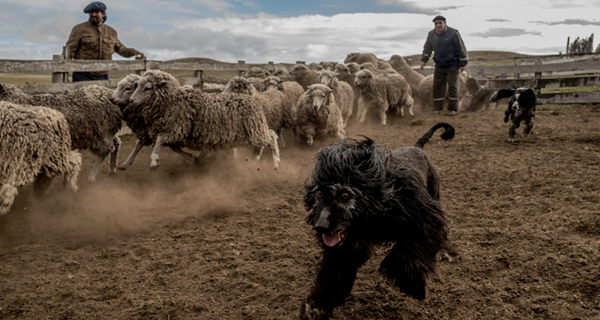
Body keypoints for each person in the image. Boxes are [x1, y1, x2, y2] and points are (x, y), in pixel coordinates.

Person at [66, 2, 145, 82]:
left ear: (103, 14)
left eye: (96, 12)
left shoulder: (111, 32)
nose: (93, 14)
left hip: (103, 75)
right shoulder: (79, 29)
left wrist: (133, 51)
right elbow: (69, 50)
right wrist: (63, 67)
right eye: (91, 12)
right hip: (82, 74)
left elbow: (121, 49)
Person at [420, 15, 468, 115]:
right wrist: (424, 60)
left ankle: (452, 109)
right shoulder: (431, 35)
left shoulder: (453, 33)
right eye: (436, 23)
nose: (438, 25)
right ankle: (437, 109)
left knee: (453, 87)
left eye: (440, 23)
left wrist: (463, 63)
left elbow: (461, 48)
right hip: (439, 65)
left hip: (452, 64)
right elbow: (427, 48)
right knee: (437, 87)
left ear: (444, 23)